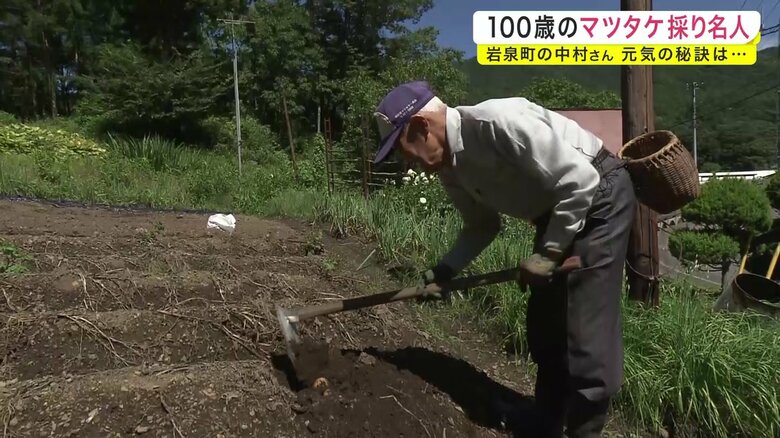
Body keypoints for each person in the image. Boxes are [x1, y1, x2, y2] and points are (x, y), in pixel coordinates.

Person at [372, 80, 637, 438]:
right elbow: (482, 226)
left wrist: (546, 254)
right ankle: (544, 421)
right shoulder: (450, 168)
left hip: (599, 197)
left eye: (404, 151)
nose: (410, 164)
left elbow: (580, 180)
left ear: (421, 127)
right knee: (546, 325)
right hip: (556, 215)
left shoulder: (497, 124)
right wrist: (445, 270)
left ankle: (583, 430)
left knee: (586, 333)